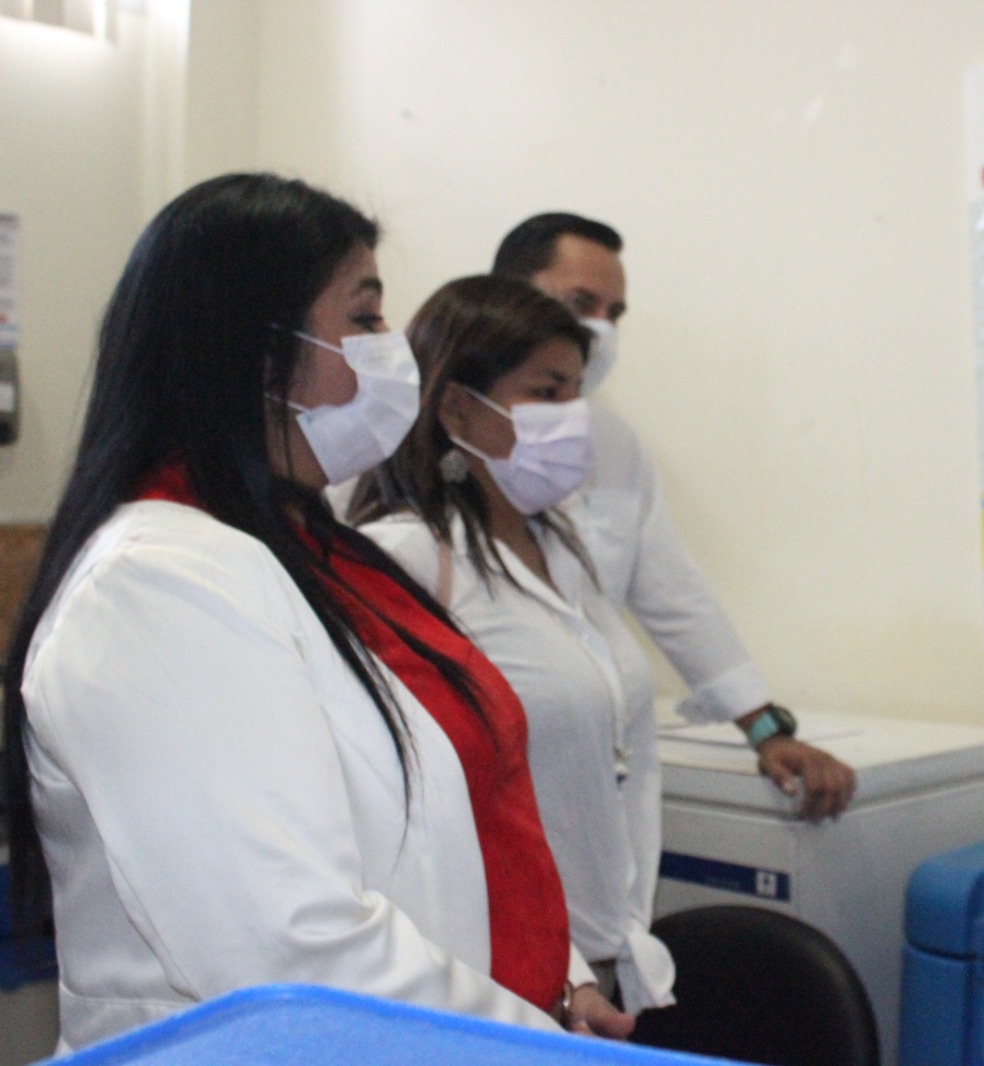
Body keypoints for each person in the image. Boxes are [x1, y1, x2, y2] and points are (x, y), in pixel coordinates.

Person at [1, 174, 623, 1050]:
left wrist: (554, 979)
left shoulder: (316, 551)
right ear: (259, 352)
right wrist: (531, 1043)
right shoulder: (154, 583)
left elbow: (451, 816)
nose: (392, 351)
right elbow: (286, 948)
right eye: (364, 317)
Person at [347, 275, 668, 1014]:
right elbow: (409, 810)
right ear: (457, 406)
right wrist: (563, 971)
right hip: (505, 974)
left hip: (611, 960)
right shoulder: (408, 557)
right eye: (546, 393)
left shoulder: (563, 549)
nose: (573, 418)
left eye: (576, 394)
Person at [491, 214, 855, 820]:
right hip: (481, 764)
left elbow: (672, 591)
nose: (600, 329)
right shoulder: (427, 435)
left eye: (614, 313)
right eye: (581, 304)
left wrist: (765, 728)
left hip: (589, 764)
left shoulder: (612, 443)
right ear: (505, 295)